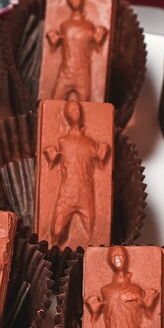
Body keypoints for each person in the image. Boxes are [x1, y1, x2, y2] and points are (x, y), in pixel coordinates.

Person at [39, 100, 111, 248]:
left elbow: (101, 158)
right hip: (67, 191)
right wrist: (49, 154)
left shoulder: (90, 142)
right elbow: (51, 161)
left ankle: (91, 257)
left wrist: (104, 149)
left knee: (92, 229)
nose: (75, 112)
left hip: (86, 191)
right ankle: (52, 252)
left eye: (77, 109)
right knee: (56, 230)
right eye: (71, 109)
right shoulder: (62, 141)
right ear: (66, 114)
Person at [43, 0, 108, 101]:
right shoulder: (64, 26)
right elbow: (52, 41)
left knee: (85, 105)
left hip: (82, 75)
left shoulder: (89, 26)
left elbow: (99, 41)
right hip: (65, 73)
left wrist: (101, 33)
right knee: (54, 102)